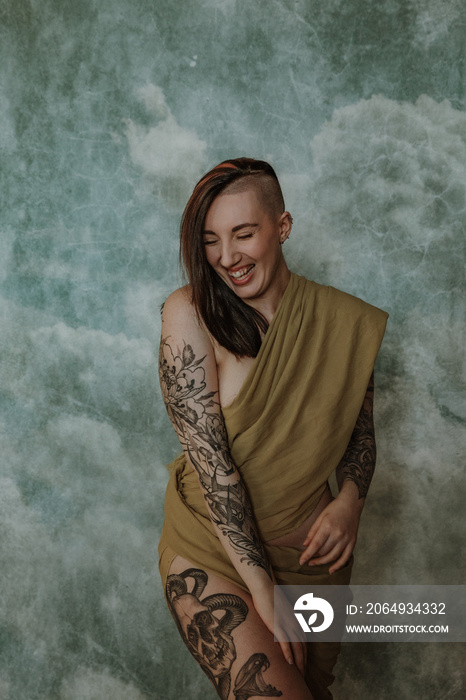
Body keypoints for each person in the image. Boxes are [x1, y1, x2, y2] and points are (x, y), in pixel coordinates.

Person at [158, 158, 388, 700]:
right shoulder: (189, 312)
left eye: (244, 234)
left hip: (313, 567)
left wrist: (350, 501)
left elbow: (361, 434)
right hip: (214, 553)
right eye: (211, 239)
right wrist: (262, 588)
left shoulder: (343, 321)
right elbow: (211, 464)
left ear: (282, 228)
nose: (226, 257)